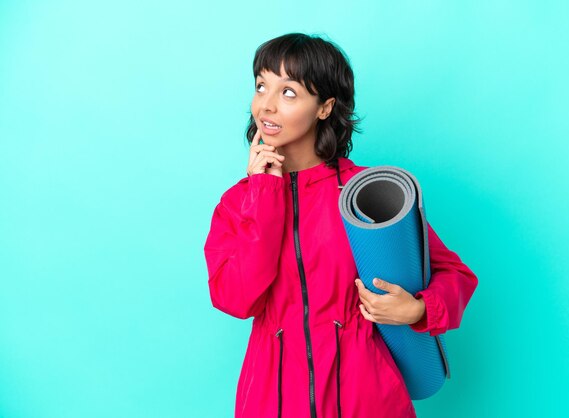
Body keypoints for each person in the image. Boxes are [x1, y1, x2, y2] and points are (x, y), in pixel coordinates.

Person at [204, 32, 478, 418]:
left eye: (288, 93)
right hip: (272, 400)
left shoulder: (365, 192)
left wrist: (416, 310)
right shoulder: (237, 203)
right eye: (261, 85)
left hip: (366, 397)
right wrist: (264, 191)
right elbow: (236, 299)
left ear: (324, 107)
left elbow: (456, 275)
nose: (266, 106)